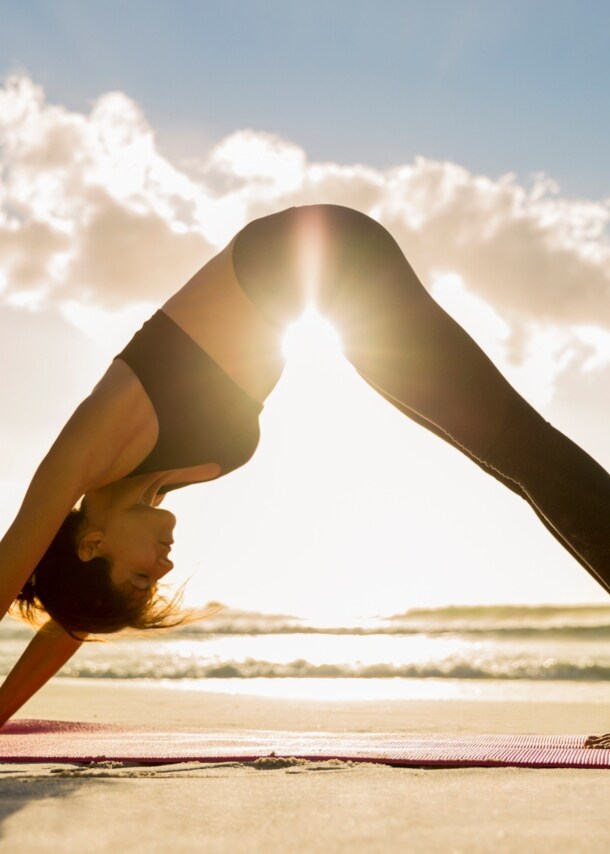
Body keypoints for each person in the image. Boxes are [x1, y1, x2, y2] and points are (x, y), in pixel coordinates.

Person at [1, 204, 609, 744]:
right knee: (513, 460)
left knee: (518, 446)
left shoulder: (89, 447)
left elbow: (9, 570)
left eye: (142, 576)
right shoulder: (148, 485)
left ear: (91, 544)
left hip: (318, 259)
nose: (163, 567)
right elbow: (72, 625)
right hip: (335, 291)